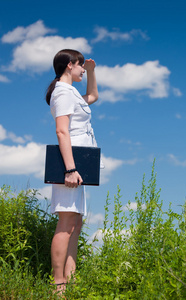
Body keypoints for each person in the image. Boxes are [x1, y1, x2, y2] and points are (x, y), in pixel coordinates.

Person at [45, 49, 100, 293]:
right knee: (66, 222)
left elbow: (93, 96)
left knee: (75, 223)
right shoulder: (63, 93)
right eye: (80, 66)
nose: (81, 69)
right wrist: (70, 169)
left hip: (80, 165)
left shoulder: (72, 92)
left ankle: (71, 282)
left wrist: (91, 72)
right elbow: (61, 131)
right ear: (69, 65)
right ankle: (58, 287)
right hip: (71, 165)